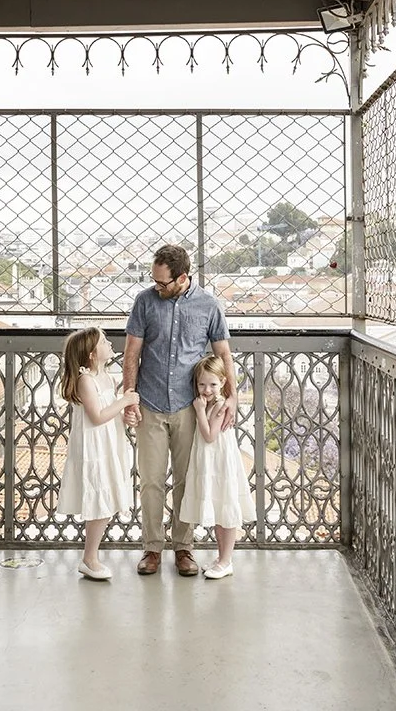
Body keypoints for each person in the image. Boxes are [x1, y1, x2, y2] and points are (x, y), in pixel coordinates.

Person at [123, 243, 236, 577]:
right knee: (151, 481)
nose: (156, 286)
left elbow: (224, 354)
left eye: (163, 282)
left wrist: (232, 396)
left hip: (191, 407)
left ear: (183, 277)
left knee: (187, 480)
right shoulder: (144, 302)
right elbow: (131, 355)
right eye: (154, 280)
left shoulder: (209, 305)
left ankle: (184, 547)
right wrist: (131, 397)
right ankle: (152, 548)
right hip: (150, 403)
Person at [55, 326, 138, 581]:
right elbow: (97, 416)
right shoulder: (86, 380)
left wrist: (124, 416)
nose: (109, 343)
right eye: (104, 341)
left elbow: (109, 410)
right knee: (99, 500)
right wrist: (125, 401)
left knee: (106, 499)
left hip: (108, 443)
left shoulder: (105, 377)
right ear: (92, 354)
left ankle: (90, 557)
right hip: (94, 446)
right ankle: (89, 558)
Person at [180, 355, 256, 579]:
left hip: (220, 463)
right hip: (211, 463)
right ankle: (221, 558)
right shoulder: (210, 403)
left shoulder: (220, 406)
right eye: (202, 384)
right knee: (218, 508)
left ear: (223, 382)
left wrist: (199, 411)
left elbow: (209, 435)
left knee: (226, 510)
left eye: (212, 384)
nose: (206, 390)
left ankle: (226, 561)